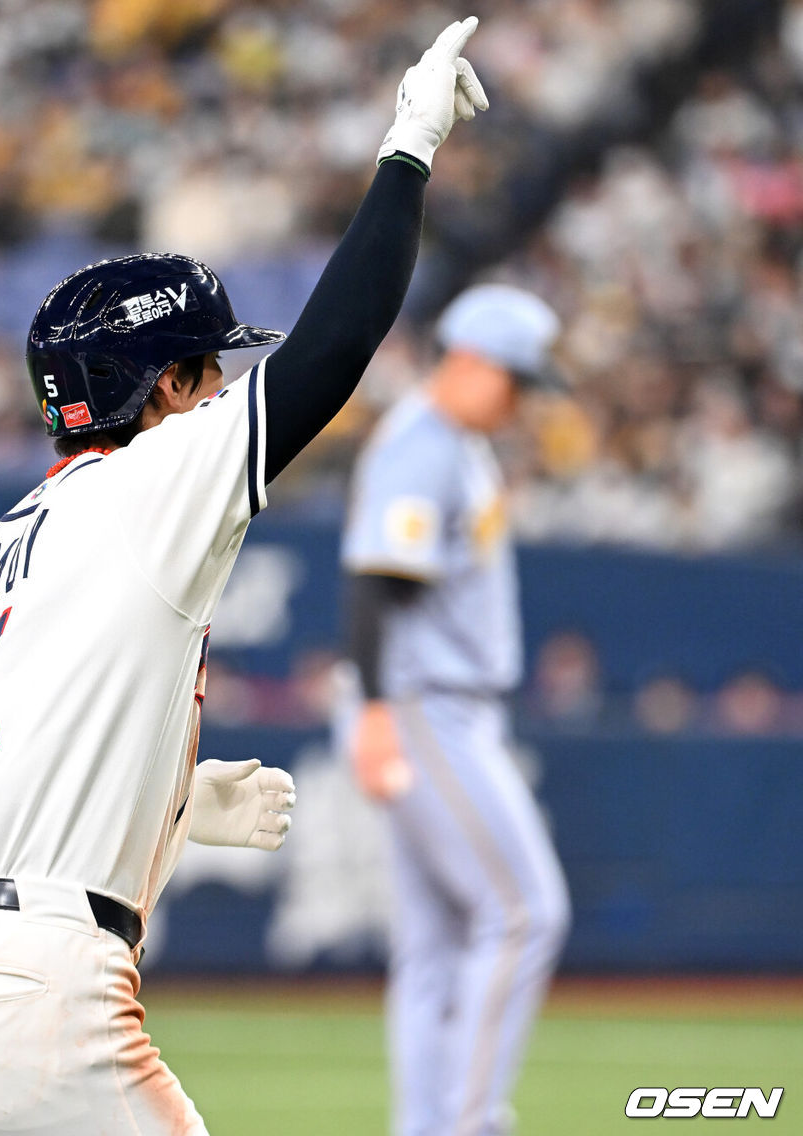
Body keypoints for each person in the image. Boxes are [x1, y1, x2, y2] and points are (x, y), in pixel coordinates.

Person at [0, 17, 489, 1136]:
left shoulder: (7, 541)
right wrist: (408, 148)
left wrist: (172, 809)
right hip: (32, 990)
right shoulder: (150, 483)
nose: (211, 387)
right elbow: (331, 352)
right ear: (162, 382)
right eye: (201, 367)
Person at [342, 283, 572, 1136]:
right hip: (422, 706)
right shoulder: (426, 443)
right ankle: (468, 1122)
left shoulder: (454, 443)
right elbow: (375, 580)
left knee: (437, 947)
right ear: (471, 362)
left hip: (429, 704)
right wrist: (373, 713)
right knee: (524, 912)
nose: (521, 400)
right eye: (514, 380)